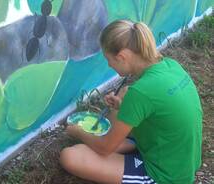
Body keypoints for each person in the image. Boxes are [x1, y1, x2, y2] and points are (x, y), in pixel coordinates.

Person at [59, 20, 202, 184]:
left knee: (70, 156)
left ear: (121, 57)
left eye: (108, 59)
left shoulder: (141, 92)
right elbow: (158, 110)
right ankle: (128, 145)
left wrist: (77, 132)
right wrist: (122, 106)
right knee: (126, 94)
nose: (108, 64)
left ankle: (130, 153)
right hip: (180, 159)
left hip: (166, 175)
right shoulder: (170, 65)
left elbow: (105, 148)